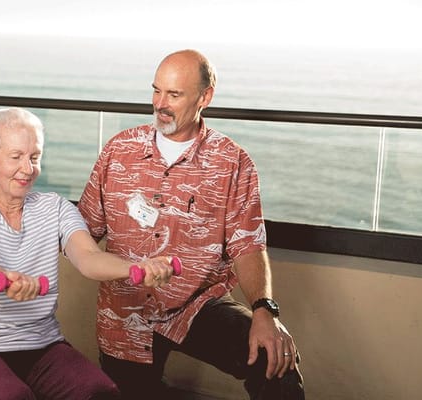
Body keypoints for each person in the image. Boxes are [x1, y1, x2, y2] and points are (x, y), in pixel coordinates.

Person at [77, 49, 306, 399]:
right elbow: (82, 231)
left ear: (205, 97)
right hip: (125, 313)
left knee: (277, 365)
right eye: (156, 91)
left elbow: (248, 245)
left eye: (174, 94)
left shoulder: (233, 162)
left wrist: (264, 310)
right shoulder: (117, 150)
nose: (160, 104)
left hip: (197, 303)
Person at [0, 107, 175, 400]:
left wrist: (136, 268)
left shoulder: (56, 208)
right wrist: (4, 279)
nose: (28, 168)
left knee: (102, 392)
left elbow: (88, 257)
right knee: (11, 396)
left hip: (42, 345)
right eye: (16, 156)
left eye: (34, 157)